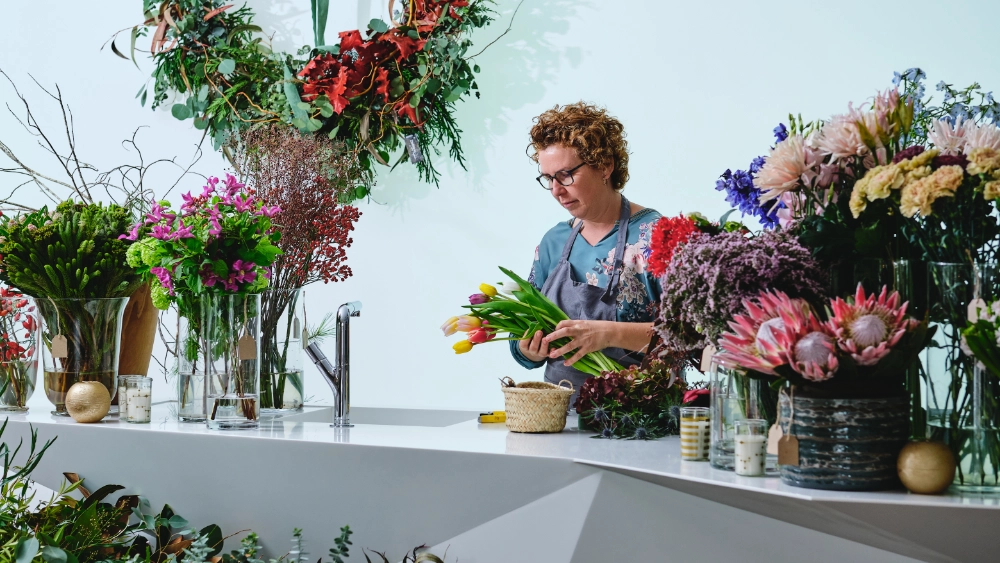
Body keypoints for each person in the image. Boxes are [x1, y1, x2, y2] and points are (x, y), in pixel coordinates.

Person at [510, 102, 663, 402]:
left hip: (640, 420)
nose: (556, 189)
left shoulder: (654, 236)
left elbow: (690, 337)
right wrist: (527, 347)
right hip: (559, 421)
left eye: (566, 175)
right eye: (548, 178)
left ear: (605, 165)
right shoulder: (554, 242)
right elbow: (522, 333)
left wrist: (607, 334)